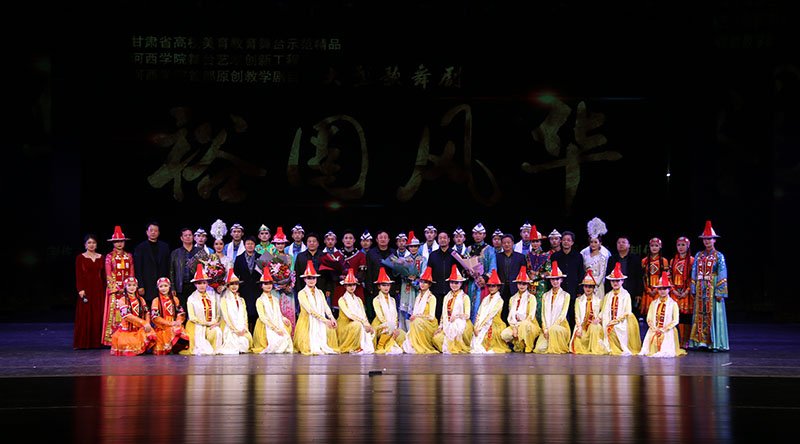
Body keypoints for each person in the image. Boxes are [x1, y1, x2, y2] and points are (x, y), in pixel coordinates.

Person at [689, 221, 729, 352]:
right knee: (700, 314)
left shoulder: (719, 256)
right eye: (705, 239)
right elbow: (694, 272)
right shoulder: (699, 255)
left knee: (713, 314)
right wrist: (693, 288)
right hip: (701, 289)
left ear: (714, 240)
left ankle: (715, 343)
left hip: (712, 288)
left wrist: (720, 292)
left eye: (709, 239)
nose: (707, 241)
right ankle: (701, 342)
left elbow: (722, 273)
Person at [294, 261, 339, 355]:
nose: (311, 280)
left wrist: (331, 318)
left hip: (321, 320)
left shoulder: (320, 292)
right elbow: (310, 310)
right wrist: (325, 320)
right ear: (305, 279)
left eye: (313, 278)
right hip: (307, 322)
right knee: (308, 347)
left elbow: (326, 306)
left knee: (331, 330)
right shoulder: (302, 293)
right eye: (309, 278)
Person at [640, 272, 687, 357]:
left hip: (668, 330)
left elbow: (675, 320)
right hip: (654, 329)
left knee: (664, 343)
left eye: (664, 289)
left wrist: (663, 329)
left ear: (669, 289)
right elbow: (649, 318)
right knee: (653, 338)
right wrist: (654, 329)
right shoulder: (653, 303)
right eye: (660, 289)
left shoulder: (673, 304)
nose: (662, 291)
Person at [103, 226, 135, 346]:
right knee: (114, 313)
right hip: (115, 290)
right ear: (113, 243)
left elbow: (131, 273)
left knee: (127, 312)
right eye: (117, 241)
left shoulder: (129, 256)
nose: (119, 243)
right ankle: (112, 339)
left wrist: (129, 287)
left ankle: (127, 338)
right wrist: (117, 288)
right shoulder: (109, 257)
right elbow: (108, 274)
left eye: (121, 241)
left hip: (127, 290)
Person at [601, 263, 642, 356]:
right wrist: (599, 318)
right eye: (613, 281)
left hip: (622, 321)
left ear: (622, 281)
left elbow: (627, 311)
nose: (615, 283)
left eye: (617, 281)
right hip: (609, 320)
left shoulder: (625, 294)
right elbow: (604, 310)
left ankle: (618, 347)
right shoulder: (608, 295)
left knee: (615, 328)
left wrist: (616, 321)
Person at [252, 268, 294, 354]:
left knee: (285, 339)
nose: (268, 286)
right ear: (261, 286)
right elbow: (262, 317)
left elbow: (278, 313)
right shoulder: (260, 300)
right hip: (266, 325)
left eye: (270, 283)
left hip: (276, 322)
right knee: (276, 341)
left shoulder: (275, 299)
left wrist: (283, 318)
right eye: (265, 284)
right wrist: (275, 329)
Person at [110, 277, 156, 356]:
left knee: (151, 333)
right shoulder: (123, 300)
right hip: (128, 328)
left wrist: (147, 323)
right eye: (129, 285)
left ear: (137, 287)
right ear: (125, 287)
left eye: (134, 285)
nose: (132, 287)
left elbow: (147, 312)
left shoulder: (141, 299)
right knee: (130, 344)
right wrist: (143, 323)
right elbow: (127, 316)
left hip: (140, 327)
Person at [433, 265, 473, 354]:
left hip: (461, 323)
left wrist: (457, 317)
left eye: (456, 283)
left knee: (456, 330)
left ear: (461, 284)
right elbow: (443, 314)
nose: (454, 285)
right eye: (452, 282)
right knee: (436, 338)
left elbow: (467, 315)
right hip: (447, 324)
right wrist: (440, 327)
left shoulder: (465, 297)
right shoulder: (447, 297)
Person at [74, 234, 105, 349]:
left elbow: (104, 275)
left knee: (98, 314)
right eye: (89, 243)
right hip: (86, 288)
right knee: (85, 314)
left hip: (98, 288)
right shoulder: (80, 257)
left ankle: (97, 342)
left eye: (94, 243)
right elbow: (78, 274)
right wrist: (80, 289)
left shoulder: (101, 257)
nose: (91, 245)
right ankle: (84, 342)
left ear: (96, 244)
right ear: (85, 245)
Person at [501, 267, 541, 353]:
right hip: (515, 324)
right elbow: (510, 316)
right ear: (517, 284)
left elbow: (531, 316)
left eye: (524, 284)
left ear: (527, 285)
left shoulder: (531, 298)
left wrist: (519, 326)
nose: (522, 286)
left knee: (525, 325)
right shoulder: (512, 298)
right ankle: (519, 343)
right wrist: (514, 327)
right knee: (505, 335)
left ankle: (528, 345)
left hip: (529, 325)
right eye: (520, 283)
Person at [185, 265, 223, 355]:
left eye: (204, 283)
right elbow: (192, 317)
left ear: (207, 283)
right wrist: (206, 323)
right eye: (199, 283)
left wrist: (216, 322)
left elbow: (218, 311)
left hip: (211, 323)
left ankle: (214, 349)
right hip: (197, 325)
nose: (202, 285)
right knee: (202, 349)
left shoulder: (212, 295)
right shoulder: (191, 298)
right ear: (195, 284)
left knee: (217, 331)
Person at [534, 262, 571, 354]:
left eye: (557, 279)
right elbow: (543, 314)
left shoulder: (566, 295)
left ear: (561, 280)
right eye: (553, 279)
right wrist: (545, 329)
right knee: (539, 349)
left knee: (554, 332)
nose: (555, 282)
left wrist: (552, 329)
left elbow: (563, 314)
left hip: (560, 327)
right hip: (547, 328)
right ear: (550, 280)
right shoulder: (545, 295)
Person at [336, 269, 375, 354]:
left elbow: (363, 315)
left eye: (353, 284)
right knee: (358, 325)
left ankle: (361, 346)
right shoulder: (342, 300)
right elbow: (349, 315)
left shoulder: (358, 300)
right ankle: (355, 347)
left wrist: (368, 324)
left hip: (358, 323)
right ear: (345, 286)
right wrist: (363, 323)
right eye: (349, 285)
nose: (352, 287)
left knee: (370, 328)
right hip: (345, 326)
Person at [569, 271, 609, 355]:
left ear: (594, 288)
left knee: (594, 328)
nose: (588, 289)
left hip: (594, 326)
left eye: (590, 287)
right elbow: (577, 315)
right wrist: (579, 328)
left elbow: (603, 311)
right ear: (583, 287)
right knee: (578, 341)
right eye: (586, 286)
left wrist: (598, 318)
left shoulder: (598, 300)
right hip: (582, 326)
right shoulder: (578, 300)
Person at [471, 269, 510, 354]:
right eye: (489, 286)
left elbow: (490, 315)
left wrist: (479, 327)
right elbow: (479, 313)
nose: (491, 288)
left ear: (498, 287)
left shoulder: (499, 301)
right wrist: (476, 327)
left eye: (494, 286)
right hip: (483, 323)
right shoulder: (486, 299)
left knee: (487, 337)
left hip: (495, 323)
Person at [549, 231, 584, 326]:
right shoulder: (555, 256)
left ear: (572, 242)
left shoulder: (578, 256)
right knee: (558, 315)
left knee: (573, 315)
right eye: (564, 240)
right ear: (561, 241)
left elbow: (581, 274)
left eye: (568, 240)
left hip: (573, 290)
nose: (566, 242)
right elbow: (552, 275)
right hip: (559, 290)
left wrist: (580, 291)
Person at [402, 267, 439, 354]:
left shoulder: (431, 298)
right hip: (419, 322)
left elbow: (431, 316)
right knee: (415, 321)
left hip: (429, 323)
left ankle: (420, 345)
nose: (422, 284)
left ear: (429, 285)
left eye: (425, 282)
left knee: (417, 321)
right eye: (421, 281)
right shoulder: (418, 297)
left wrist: (417, 316)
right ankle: (415, 344)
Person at [371, 267, 406, 354]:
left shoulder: (392, 300)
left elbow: (395, 316)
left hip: (392, 325)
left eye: (388, 285)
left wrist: (395, 328)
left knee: (403, 334)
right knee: (389, 326)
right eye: (383, 285)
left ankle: (396, 345)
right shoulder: (376, 300)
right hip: (380, 325)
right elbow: (380, 317)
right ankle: (380, 346)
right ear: (379, 286)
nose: (386, 287)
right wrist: (392, 327)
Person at [150, 277, 189, 355]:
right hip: (162, 326)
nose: (163, 288)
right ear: (158, 288)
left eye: (165, 286)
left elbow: (180, 313)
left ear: (169, 286)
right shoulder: (156, 300)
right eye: (161, 286)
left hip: (174, 324)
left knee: (179, 331)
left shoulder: (175, 299)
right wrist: (169, 323)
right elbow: (155, 317)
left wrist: (178, 321)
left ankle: (174, 347)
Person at [467, 223, 498, 324]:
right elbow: (463, 264)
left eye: (480, 234)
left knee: (481, 308)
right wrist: (467, 272)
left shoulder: (489, 249)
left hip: (483, 284)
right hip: (471, 283)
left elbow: (493, 268)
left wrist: (484, 278)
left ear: (484, 235)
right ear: (472, 235)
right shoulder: (468, 249)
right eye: (475, 233)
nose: (478, 236)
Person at [133, 221, 170, 303]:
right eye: (151, 230)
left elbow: (168, 266)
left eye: (155, 231)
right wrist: (140, 285)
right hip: (147, 285)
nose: (153, 232)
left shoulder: (165, 246)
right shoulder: (140, 247)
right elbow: (137, 268)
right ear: (147, 232)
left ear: (159, 233)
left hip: (162, 285)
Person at [397, 231, 427, 331]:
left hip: (418, 287)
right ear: (408, 248)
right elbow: (400, 274)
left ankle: (417, 332)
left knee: (418, 310)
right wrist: (407, 277)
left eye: (415, 246)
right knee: (406, 311)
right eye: (411, 246)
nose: (413, 248)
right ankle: (407, 332)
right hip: (407, 287)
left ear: (418, 247)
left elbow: (424, 273)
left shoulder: (423, 259)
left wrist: (416, 281)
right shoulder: (404, 259)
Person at [218, 270, 253, 354]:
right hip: (229, 326)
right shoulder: (224, 300)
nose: (234, 286)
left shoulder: (241, 300)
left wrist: (244, 328)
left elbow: (245, 315)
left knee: (245, 341)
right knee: (232, 344)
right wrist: (234, 329)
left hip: (241, 326)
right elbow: (226, 316)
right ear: (227, 286)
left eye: (236, 284)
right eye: (232, 284)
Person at [426, 231, 458, 319]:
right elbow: (429, 272)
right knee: (437, 314)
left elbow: (459, 273)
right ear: (437, 240)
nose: (442, 240)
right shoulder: (433, 255)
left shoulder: (455, 254)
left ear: (449, 239)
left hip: (451, 290)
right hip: (436, 290)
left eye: (445, 238)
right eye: (440, 238)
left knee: (450, 315)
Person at [271, 227, 297, 334]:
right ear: (274, 244)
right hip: (274, 290)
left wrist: (289, 286)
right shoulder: (269, 256)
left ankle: (289, 336)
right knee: (276, 312)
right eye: (278, 243)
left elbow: (293, 273)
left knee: (288, 313)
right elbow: (265, 274)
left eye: (282, 243)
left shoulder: (290, 257)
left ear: (285, 244)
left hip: (287, 290)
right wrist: (276, 285)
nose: (280, 246)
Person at [670, 237, 695, 347]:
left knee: (686, 317)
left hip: (687, 293)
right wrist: (673, 290)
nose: (680, 247)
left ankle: (685, 341)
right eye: (679, 245)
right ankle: (677, 340)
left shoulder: (692, 261)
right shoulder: (673, 261)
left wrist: (687, 290)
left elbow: (693, 278)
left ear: (688, 246)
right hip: (675, 292)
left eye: (683, 245)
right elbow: (669, 277)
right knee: (676, 316)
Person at [495, 234, 526, 321]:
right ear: (501, 244)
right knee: (502, 309)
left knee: (514, 309)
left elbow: (523, 273)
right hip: (502, 287)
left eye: (508, 242)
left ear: (513, 243)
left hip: (515, 287)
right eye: (504, 243)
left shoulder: (520, 257)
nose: (506, 244)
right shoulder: (497, 257)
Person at [366, 230, 396, 317]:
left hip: (390, 287)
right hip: (376, 286)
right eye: (381, 237)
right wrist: (370, 287)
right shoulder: (371, 253)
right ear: (376, 240)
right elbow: (369, 271)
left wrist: (396, 287)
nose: (383, 239)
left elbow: (396, 270)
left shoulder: (393, 252)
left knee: (391, 310)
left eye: (385, 237)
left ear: (389, 239)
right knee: (377, 311)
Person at [525, 226, 552, 324]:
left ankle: (541, 328)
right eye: (533, 241)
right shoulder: (527, 256)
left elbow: (548, 272)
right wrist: (529, 275)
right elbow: (525, 270)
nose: (535, 244)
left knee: (540, 308)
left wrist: (537, 274)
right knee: (529, 307)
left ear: (540, 242)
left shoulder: (545, 255)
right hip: (529, 285)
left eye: (537, 241)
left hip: (541, 286)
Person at [580, 218, 611, 302]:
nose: (593, 244)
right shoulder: (585, 255)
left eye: (595, 242)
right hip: (587, 283)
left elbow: (602, 273)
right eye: (591, 242)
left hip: (597, 284)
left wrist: (595, 285)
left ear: (600, 243)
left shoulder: (602, 256)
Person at [169, 228, 201, 310]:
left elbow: (205, 268)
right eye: (185, 235)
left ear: (193, 237)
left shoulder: (199, 251)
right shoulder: (175, 253)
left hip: (196, 286)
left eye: (190, 235)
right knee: (182, 310)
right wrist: (172, 287)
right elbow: (171, 271)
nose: (188, 237)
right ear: (181, 238)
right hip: (181, 286)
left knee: (196, 309)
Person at [604, 235, 643, 302]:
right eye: (619, 242)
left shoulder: (635, 259)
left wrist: (638, 293)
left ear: (629, 245)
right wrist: (607, 292)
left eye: (623, 242)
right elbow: (608, 276)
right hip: (614, 291)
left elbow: (639, 277)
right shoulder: (612, 259)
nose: (621, 244)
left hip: (631, 292)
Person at [233, 236, 261, 324]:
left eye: (252, 244)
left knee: (257, 311)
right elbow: (235, 274)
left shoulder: (261, 257)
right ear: (244, 245)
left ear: (255, 245)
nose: (250, 246)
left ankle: (256, 330)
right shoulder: (239, 258)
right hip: (244, 288)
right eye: (248, 244)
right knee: (246, 312)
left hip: (257, 288)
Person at [294, 233, 324, 316]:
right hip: (304, 289)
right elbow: (297, 273)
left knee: (320, 311)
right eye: (309, 241)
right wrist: (298, 289)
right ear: (306, 243)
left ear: (318, 243)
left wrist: (328, 289)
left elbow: (327, 274)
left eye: (314, 241)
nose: (311, 243)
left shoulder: (324, 256)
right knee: (305, 312)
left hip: (320, 288)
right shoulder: (300, 256)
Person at [640, 238, 670, 317]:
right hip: (648, 290)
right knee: (648, 316)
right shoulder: (644, 261)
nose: (654, 247)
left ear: (660, 247)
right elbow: (642, 277)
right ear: (649, 247)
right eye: (652, 245)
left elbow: (666, 278)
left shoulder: (664, 261)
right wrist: (648, 289)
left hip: (660, 291)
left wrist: (657, 289)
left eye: (656, 246)